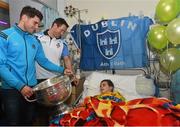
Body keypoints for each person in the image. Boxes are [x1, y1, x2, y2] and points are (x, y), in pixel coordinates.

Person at [0, 6, 72, 126]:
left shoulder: (34, 40)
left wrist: (63, 70)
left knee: (29, 121)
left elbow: (43, 61)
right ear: (24, 18)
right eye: (35, 23)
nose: (37, 27)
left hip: (31, 88)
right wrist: (20, 86)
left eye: (38, 24)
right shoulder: (5, 36)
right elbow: (1, 66)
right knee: (14, 123)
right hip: (12, 90)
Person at [34, 18, 78, 125]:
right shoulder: (37, 38)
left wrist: (72, 75)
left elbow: (66, 59)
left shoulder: (62, 43)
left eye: (64, 31)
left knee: (55, 109)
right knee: (41, 111)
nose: (62, 33)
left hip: (55, 80)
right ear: (54, 25)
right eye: (61, 30)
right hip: (38, 79)